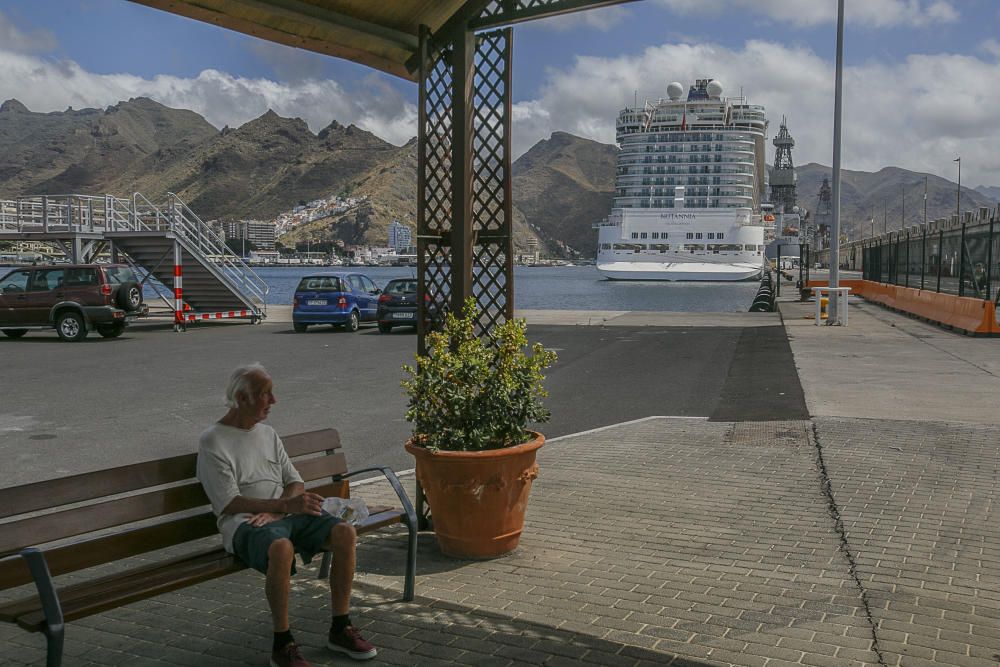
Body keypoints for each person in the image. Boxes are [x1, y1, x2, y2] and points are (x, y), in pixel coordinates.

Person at [196, 363, 377, 666]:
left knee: (345, 531)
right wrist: (280, 508)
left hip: (280, 515)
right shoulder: (213, 440)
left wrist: (281, 510)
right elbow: (227, 503)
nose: (273, 400)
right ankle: (283, 644)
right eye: (264, 394)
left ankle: (340, 627)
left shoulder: (267, 433)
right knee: (281, 548)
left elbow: (295, 482)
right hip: (244, 524)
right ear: (241, 399)